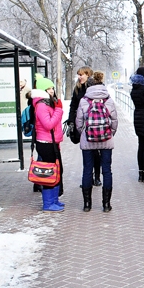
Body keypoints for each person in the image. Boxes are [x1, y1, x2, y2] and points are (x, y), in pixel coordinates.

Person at [76, 73, 118, 212]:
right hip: (106, 139)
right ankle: (106, 204)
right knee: (107, 170)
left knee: (87, 169)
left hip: (88, 140)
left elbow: (79, 122)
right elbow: (114, 121)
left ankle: (87, 205)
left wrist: (84, 133)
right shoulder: (108, 100)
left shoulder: (83, 100)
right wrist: (110, 133)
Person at [31, 74, 65, 212]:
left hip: (52, 142)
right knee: (49, 172)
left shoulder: (48, 103)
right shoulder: (41, 105)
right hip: (45, 143)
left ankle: (54, 199)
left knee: (57, 170)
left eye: (52, 88)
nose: (51, 91)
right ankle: (48, 203)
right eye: (48, 89)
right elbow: (48, 124)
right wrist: (58, 111)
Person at [68, 66, 101, 187]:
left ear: (88, 75)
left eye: (81, 74)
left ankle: (97, 176)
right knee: (86, 151)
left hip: (94, 122)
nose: (79, 77)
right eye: (78, 74)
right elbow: (73, 105)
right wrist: (71, 121)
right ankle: (88, 177)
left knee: (96, 152)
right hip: (82, 124)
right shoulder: (77, 88)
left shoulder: (93, 88)